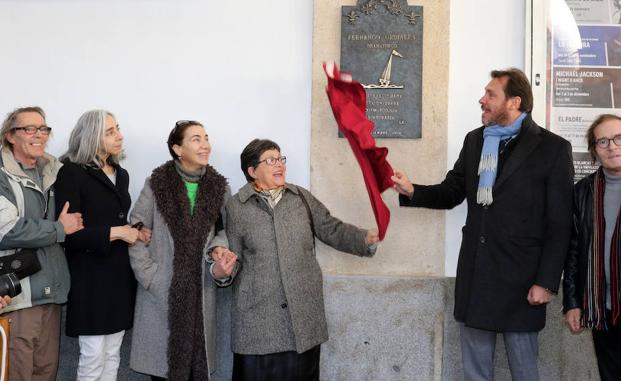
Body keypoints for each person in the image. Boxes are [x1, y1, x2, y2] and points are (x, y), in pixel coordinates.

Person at [392, 68, 574, 381]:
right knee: (475, 373)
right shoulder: (475, 141)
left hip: (523, 281)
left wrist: (546, 282)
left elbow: (559, 223)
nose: (482, 100)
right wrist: (413, 191)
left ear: (514, 102)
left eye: (491, 94)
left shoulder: (552, 148)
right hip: (477, 275)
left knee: (524, 372)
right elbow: (452, 191)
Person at [225, 138, 380, 381]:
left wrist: (364, 239)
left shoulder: (300, 198)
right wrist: (222, 270)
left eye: (280, 159)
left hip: (302, 318)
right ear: (252, 171)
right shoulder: (235, 207)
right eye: (271, 160)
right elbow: (231, 257)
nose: (280, 165)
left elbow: (331, 228)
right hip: (257, 322)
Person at [128, 120, 237, 381]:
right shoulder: (157, 183)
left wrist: (219, 250)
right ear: (178, 148)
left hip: (201, 292)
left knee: (195, 369)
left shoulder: (218, 188)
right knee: (165, 369)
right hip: (162, 294)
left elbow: (225, 232)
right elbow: (137, 229)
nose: (205, 145)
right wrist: (151, 277)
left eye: (206, 138)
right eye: (196, 139)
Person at [54, 110, 150, 380]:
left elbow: (113, 218)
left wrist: (134, 231)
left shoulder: (122, 174)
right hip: (89, 278)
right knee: (93, 357)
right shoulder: (72, 173)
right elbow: (70, 235)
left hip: (119, 275)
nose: (119, 136)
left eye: (117, 128)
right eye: (110, 132)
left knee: (112, 355)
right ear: (91, 136)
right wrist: (118, 232)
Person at [0, 106, 84, 381]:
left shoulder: (52, 171)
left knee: (46, 374)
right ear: (10, 136)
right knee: (17, 374)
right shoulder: (2, 175)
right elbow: (8, 229)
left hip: (52, 292)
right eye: (30, 129)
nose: (39, 135)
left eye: (44, 129)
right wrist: (59, 229)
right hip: (19, 297)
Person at [563, 114, 621, 380]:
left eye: (619, 138)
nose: (612, 146)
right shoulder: (583, 191)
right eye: (603, 141)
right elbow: (573, 250)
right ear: (594, 151)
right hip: (603, 309)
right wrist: (572, 303)